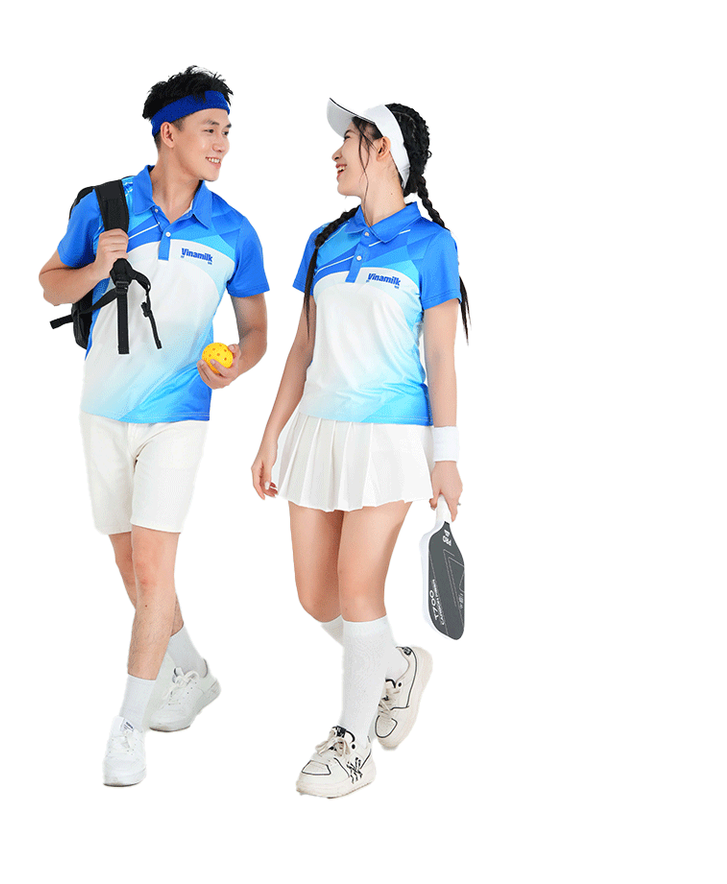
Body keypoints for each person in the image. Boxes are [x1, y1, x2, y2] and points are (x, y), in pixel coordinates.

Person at [40, 67, 269, 786]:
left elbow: (257, 330)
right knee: (126, 564)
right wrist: (95, 268)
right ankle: (191, 670)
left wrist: (236, 365)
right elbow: (49, 282)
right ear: (168, 134)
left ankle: (129, 727)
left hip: (179, 416)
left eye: (227, 131)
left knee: (151, 568)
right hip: (101, 410)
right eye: (210, 129)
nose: (222, 144)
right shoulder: (105, 206)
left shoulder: (234, 230)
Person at [251, 99, 467, 798]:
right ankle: (398, 666)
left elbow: (441, 355)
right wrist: (270, 435)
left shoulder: (432, 246)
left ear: (383, 151)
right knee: (316, 596)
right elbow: (303, 347)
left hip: (392, 436)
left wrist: (446, 454)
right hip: (317, 431)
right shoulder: (323, 241)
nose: (336, 151)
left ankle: (352, 745)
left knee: (357, 587)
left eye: (348, 138)